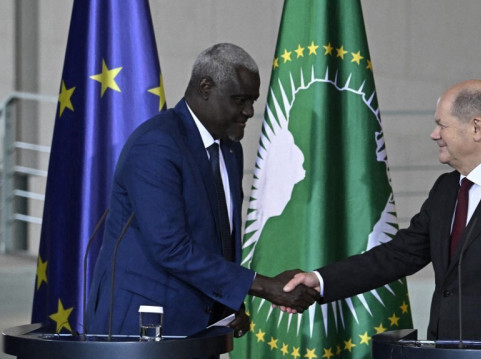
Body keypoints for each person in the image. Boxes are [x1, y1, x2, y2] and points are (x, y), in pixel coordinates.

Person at [283, 80, 481, 345]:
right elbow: (398, 255)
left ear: (477, 128)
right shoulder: (446, 190)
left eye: (442, 125)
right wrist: (319, 281)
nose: (433, 134)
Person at [85, 43, 317, 340]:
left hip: (201, 325)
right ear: (205, 87)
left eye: (252, 101)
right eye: (240, 99)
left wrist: (229, 306)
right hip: (143, 327)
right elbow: (171, 247)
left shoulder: (230, 149)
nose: (249, 111)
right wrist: (261, 285)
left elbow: (220, 238)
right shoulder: (157, 144)